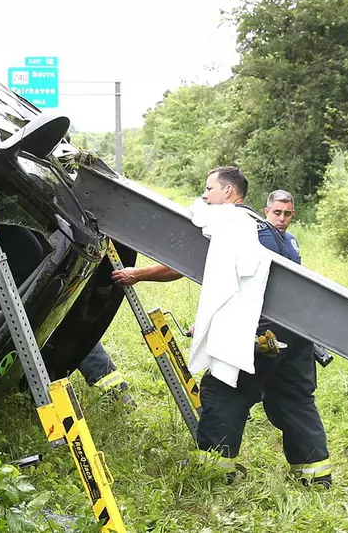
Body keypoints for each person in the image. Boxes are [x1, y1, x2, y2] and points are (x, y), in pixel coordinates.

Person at [111, 168, 331, 486]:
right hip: (298, 332)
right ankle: (316, 476)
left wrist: (137, 274)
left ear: (228, 193)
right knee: (293, 398)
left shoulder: (233, 225)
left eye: (209, 188)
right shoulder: (266, 230)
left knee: (225, 390)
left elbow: (186, 264)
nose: (205, 195)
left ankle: (215, 471)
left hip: (262, 331)